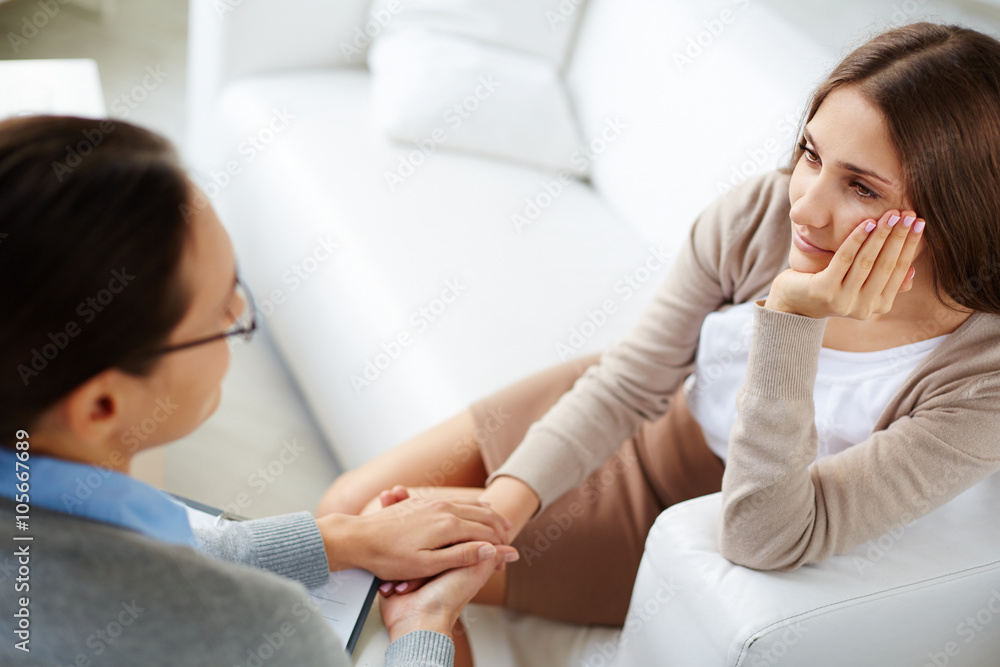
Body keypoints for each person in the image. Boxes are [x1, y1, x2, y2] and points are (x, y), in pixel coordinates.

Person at [318, 20, 1000, 629]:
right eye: (811, 154)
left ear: (958, 213)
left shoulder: (980, 382)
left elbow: (765, 534)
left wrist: (794, 318)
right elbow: (626, 384)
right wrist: (496, 516)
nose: (804, 207)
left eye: (862, 187)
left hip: (681, 514)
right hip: (635, 412)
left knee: (402, 571)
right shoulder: (761, 216)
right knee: (354, 508)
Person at [0, 114, 519, 666]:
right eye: (219, 314)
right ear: (102, 406)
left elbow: (164, 541)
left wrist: (346, 538)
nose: (239, 311)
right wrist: (425, 624)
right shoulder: (247, 627)